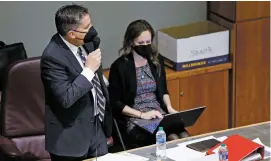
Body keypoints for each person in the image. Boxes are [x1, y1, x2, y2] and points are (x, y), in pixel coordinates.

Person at [40, 4, 112, 161]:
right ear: (71, 34)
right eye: (87, 28)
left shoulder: (87, 43)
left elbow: (97, 81)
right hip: (69, 139)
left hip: (96, 129)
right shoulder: (52, 57)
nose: (92, 31)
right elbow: (66, 98)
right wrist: (88, 70)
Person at [108, 19, 189, 147]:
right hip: (135, 117)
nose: (145, 45)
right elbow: (116, 103)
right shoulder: (120, 67)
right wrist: (142, 115)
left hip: (158, 113)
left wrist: (169, 108)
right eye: (140, 42)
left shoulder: (156, 61)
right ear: (131, 42)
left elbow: (164, 90)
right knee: (172, 138)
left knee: (184, 136)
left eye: (148, 42)